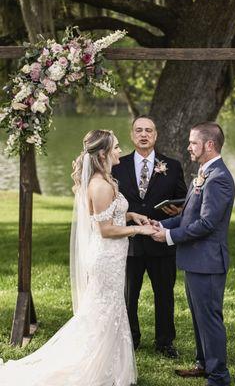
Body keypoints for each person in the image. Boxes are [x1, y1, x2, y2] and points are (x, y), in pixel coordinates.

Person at [0, 129, 155, 386]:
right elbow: (105, 230)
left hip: (112, 258)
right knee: (103, 312)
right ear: (103, 153)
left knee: (110, 310)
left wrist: (130, 216)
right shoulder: (100, 185)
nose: (120, 151)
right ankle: (90, 366)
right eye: (116, 147)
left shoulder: (104, 180)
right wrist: (140, 230)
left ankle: (110, 366)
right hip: (106, 259)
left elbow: (106, 217)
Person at [152, 122, 235, 386]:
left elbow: (208, 224)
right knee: (200, 317)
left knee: (210, 319)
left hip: (208, 262)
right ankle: (203, 364)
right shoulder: (203, 172)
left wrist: (168, 237)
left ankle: (219, 376)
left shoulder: (219, 178)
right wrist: (160, 225)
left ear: (209, 145)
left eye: (193, 142)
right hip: (195, 261)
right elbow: (189, 217)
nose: (189, 147)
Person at [112, 115, 187, 358]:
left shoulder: (172, 165)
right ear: (132, 135)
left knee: (164, 294)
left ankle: (165, 342)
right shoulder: (117, 165)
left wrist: (177, 210)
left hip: (160, 239)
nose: (144, 134)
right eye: (139, 130)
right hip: (130, 242)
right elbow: (111, 204)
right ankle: (130, 339)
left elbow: (183, 201)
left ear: (156, 135)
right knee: (129, 294)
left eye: (149, 131)